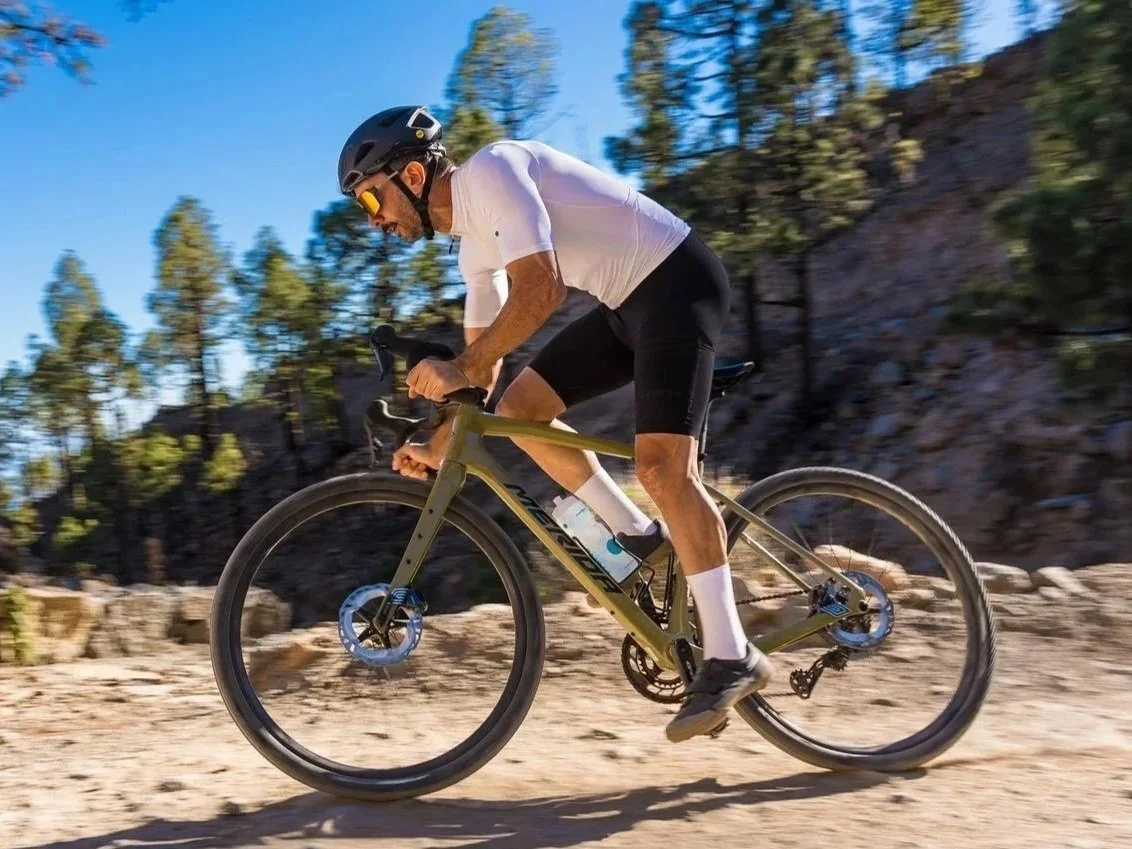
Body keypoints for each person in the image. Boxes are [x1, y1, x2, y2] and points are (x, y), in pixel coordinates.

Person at [337, 105, 773, 743]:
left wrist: (461, 365)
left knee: (660, 467)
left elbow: (540, 291)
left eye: (373, 202)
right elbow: (480, 383)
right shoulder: (470, 254)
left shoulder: (494, 171)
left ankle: (733, 655)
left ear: (410, 174)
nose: (377, 224)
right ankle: (642, 538)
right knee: (518, 412)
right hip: (626, 305)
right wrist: (437, 442)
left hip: (678, 285)